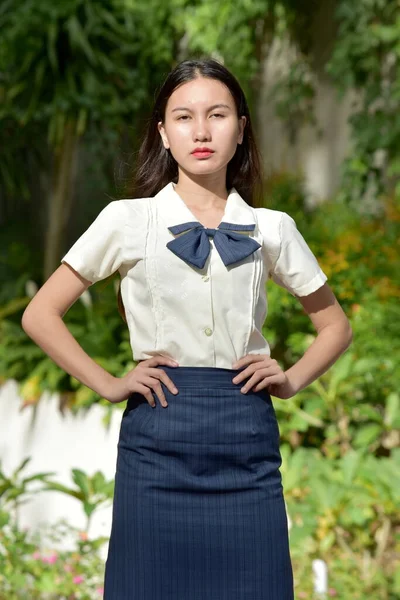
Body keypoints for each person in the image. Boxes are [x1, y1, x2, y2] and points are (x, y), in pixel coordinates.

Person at [21, 58, 353, 599]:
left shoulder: (272, 228)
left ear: (241, 129)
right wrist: (108, 383)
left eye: (217, 115)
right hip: (157, 439)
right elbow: (40, 313)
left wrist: (289, 380)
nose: (201, 131)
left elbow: (335, 326)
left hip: (247, 440)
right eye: (183, 117)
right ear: (163, 133)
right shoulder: (126, 221)